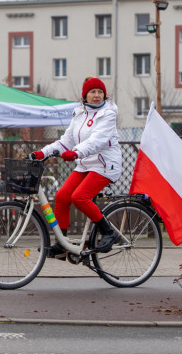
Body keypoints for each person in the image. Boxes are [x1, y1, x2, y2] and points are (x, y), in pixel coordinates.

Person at [29, 76, 122, 256]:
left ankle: (109, 232)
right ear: (85, 95)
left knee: (80, 197)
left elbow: (98, 140)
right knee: (62, 196)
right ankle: (62, 244)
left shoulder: (109, 114)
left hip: (105, 164)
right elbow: (65, 141)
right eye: (92, 92)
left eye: (100, 92)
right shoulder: (79, 114)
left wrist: (76, 152)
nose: (97, 95)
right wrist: (43, 153)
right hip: (85, 164)